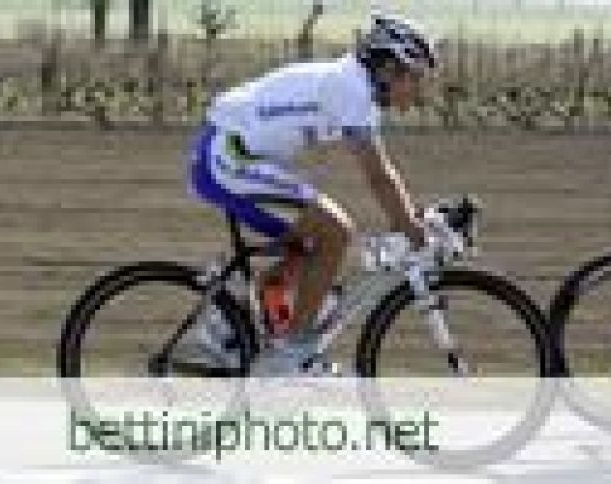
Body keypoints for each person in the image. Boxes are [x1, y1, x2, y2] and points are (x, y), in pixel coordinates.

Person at [184, 12, 439, 375]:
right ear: (389, 68)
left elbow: (382, 177)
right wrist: (412, 227)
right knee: (335, 230)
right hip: (227, 158)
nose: (418, 91)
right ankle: (292, 350)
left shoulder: (354, 84)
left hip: (232, 153)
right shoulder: (351, 89)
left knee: (315, 237)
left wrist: (409, 219)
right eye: (415, 78)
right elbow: (379, 176)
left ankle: (238, 318)